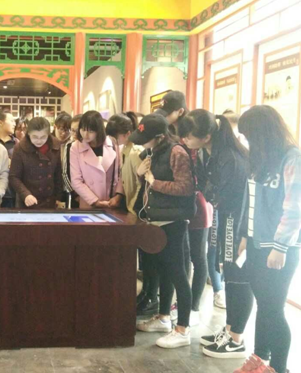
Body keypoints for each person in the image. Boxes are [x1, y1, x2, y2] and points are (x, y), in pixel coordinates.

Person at [231, 106, 301, 373]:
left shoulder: (291, 158)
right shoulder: (261, 158)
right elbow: (250, 201)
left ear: (263, 132)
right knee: (264, 304)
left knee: (273, 308)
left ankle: (279, 370)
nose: (248, 141)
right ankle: (260, 358)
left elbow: (294, 209)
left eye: (250, 135)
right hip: (257, 243)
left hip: (281, 248)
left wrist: (280, 246)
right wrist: (245, 236)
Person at [179, 109, 252, 359]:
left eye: (189, 136)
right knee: (229, 273)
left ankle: (236, 337)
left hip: (236, 220)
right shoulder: (210, 152)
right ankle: (230, 330)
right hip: (227, 216)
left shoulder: (229, 156)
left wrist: (208, 191)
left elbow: (223, 195)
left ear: (206, 136)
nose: (185, 140)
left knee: (236, 276)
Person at [132, 113, 195, 349]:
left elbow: (186, 187)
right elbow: (149, 186)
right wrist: (141, 175)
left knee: (178, 273)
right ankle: (163, 317)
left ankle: (183, 329)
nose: (142, 144)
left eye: (145, 139)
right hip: (156, 220)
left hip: (173, 222)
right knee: (163, 271)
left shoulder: (176, 152)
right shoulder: (153, 151)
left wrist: (153, 181)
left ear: (159, 136)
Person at [106, 112, 157, 316]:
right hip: (131, 208)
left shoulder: (136, 151)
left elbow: (143, 183)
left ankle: (150, 296)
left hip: (139, 211)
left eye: (115, 136)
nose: (112, 140)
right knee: (141, 257)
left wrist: (135, 209)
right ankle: (145, 294)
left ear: (127, 133)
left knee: (147, 258)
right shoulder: (125, 150)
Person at [69, 111, 124, 209]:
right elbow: (76, 180)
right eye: (83, 129)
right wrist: (94, 201)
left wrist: (118, 195)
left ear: (99, 130)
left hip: (111, 201)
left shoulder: (112, 143)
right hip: (89, 202)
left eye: (90, 131)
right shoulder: (76, 147)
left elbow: (120, 173)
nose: (85, 135)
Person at [9, 117, 63, 208]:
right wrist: (25, 194)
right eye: (35, 137)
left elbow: (58, 174)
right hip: (28, 200)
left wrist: (59, 197)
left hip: (50, 199)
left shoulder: (55, 145)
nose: (39, 141)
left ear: (48, 134)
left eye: (43, 137)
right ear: (28, 133)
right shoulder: (20, 148)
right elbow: (14, 176)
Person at [0, 110, 19, 208]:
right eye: (11, 121)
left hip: (11, 193)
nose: (14, 124)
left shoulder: (17, 144)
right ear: (0, 122)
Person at [61, 114, 82, 208]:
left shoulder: (90, 145)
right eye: (72, 130)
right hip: (73, 193)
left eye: (78, 130)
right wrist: (74, 193)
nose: (75, 134)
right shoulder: (69, 145)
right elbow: (65, 173)